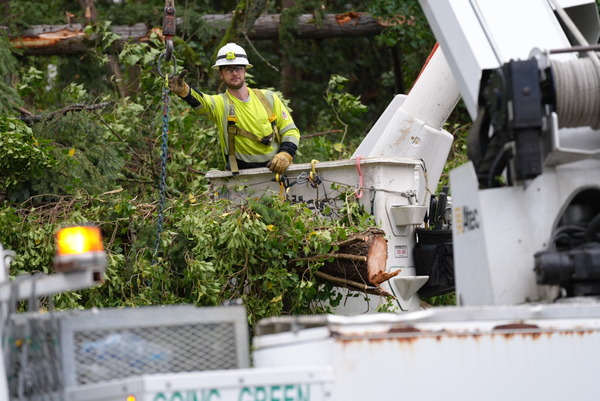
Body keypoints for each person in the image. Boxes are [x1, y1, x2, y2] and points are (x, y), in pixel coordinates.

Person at [169, 42, 300, 174]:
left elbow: (290, 131)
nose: (234, 73)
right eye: (228, 69)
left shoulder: (269, 98)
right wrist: (185, 92)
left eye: (238, 68)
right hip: (242, 178)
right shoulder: (220, 103)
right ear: (221, 74)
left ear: (245, 70)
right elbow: (203, 102)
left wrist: (285, 154)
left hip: (277, 171)